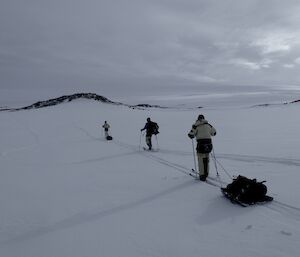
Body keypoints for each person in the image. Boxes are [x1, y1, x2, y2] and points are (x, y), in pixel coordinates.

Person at [188, 114, 216, 181]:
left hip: (201, 145)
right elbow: (214, 133)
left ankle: (202, 175)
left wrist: (192, 135)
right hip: (209, 145)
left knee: (201, 160)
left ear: (198, 119)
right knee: (206, 159)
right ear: (204, 118)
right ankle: (206, 173)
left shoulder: (195, 126)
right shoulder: (208, 125)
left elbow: (190, 135)